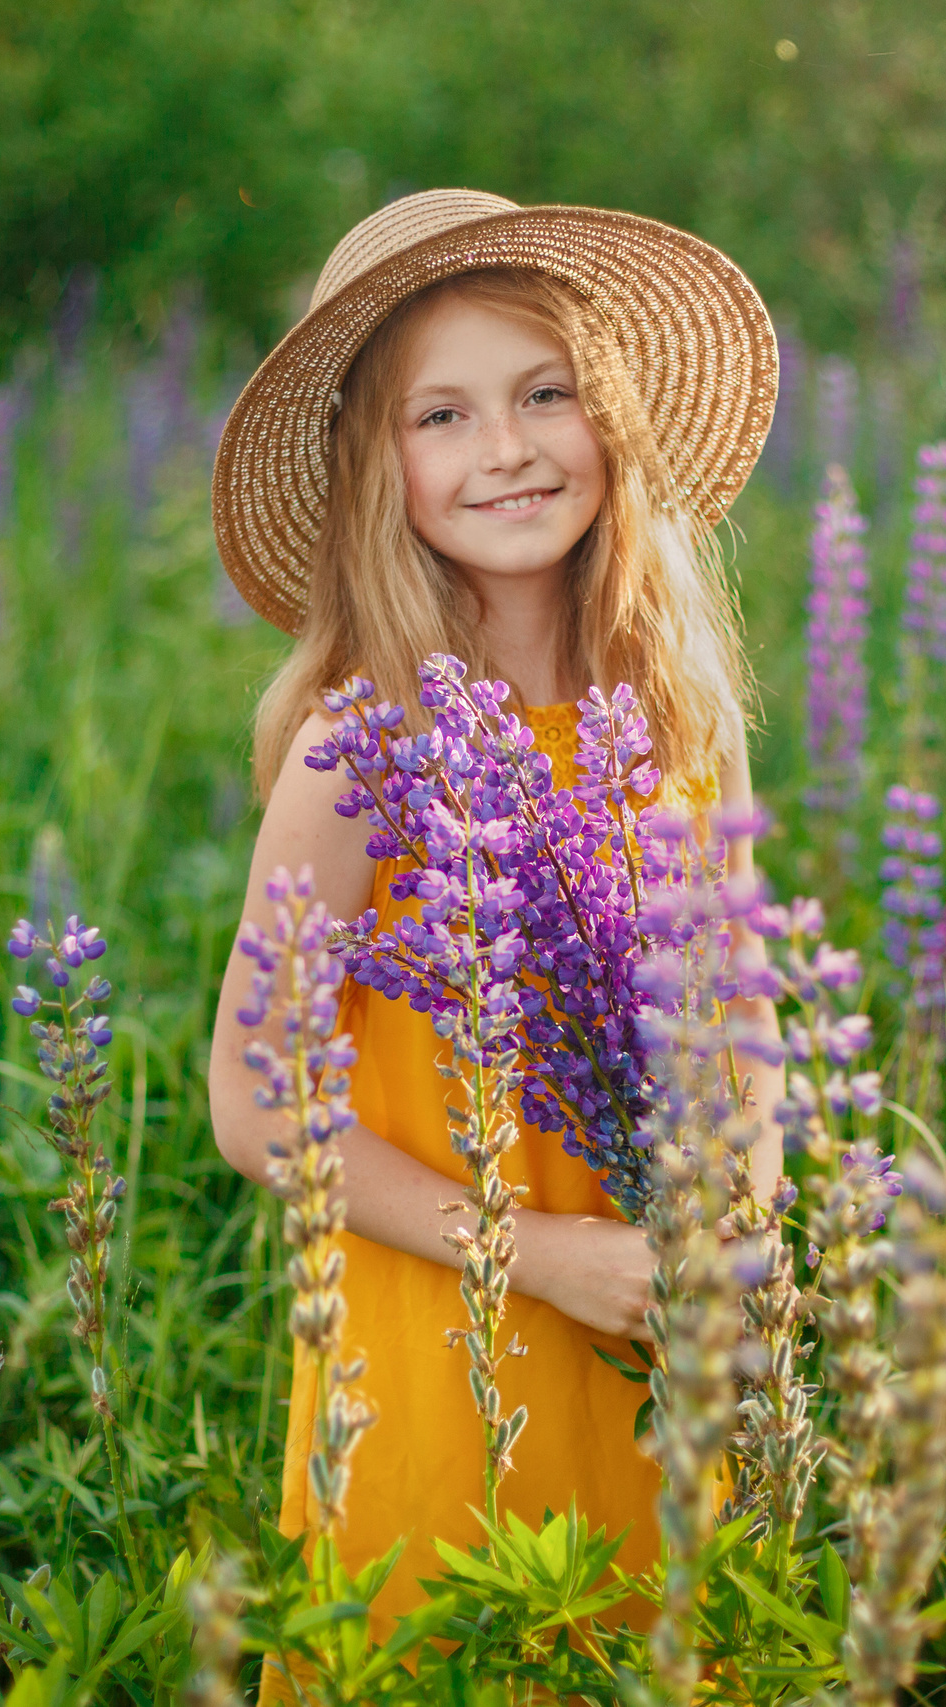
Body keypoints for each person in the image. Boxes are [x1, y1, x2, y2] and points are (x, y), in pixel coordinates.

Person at [205, 189, 785, 1652]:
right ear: (373, 470)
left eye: (544, 395)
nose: (508, 448)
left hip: (659, 1333)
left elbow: (744, 1027)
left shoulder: (668, 721)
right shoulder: (363, 745)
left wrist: (751, 1225)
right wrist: (537, 1254)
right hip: (446, 1332)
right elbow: (250, 1101)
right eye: (442, 416)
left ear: (615, 425)